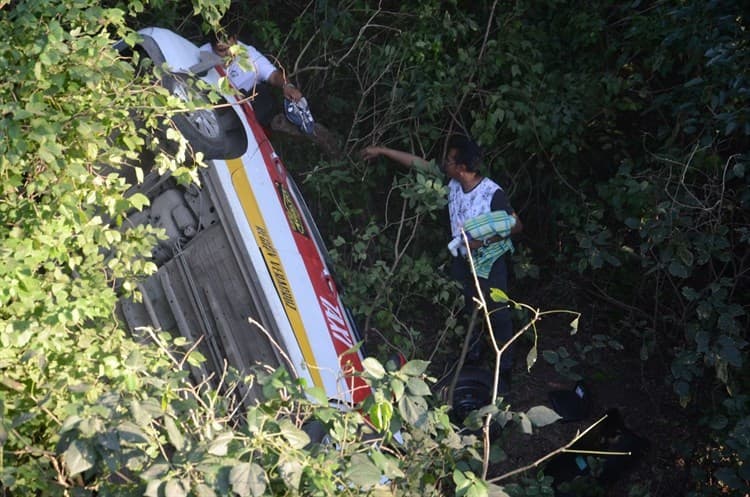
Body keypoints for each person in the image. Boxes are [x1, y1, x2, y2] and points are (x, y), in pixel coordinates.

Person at [360, 136, 523, 394]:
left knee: (498, 314)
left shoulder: (492, 193)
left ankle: (505, 367)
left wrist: (483, 242)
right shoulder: (454, 183)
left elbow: (516, 225)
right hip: (462, 259)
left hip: (490, 263)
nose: (443, 164)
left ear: (461, 167)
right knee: (469, 307)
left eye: (448, 161)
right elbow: (420, 165)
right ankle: (473, 353)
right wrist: (382, 150)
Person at [201, 33, 303, 126]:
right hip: (213, 105)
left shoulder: (249, 54)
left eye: (231, 48)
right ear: (213, 48)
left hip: (247, 106)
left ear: (236, 40)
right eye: (222, 50)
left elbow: (274, 75)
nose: (229, 53)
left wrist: (287, 86)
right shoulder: (202, 53)